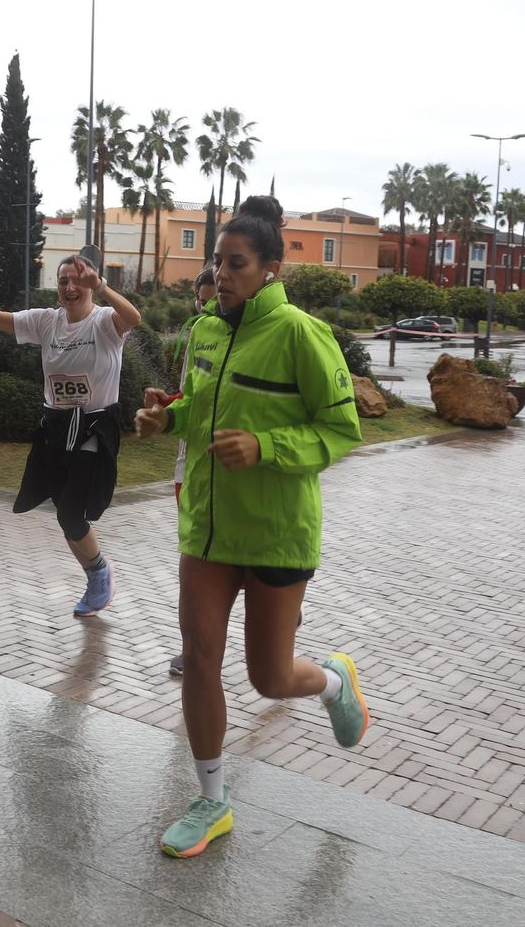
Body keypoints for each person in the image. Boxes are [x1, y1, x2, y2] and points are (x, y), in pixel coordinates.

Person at [135, 195, 367, 859]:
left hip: (276, 533)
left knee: (269, 678)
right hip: (207, 529)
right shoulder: (206, 330)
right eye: (218, 262)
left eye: (237, 264)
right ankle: (211, 797)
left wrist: (265, 447)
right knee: (200, 658)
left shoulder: (301, 334)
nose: (223, 274)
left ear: (270, 267)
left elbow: (341, 428)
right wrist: (166, 419)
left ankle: (330, 681)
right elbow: (198, 412)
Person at [0, 242, 141, 617]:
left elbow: (134, 318)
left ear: (89, 284)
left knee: (70, 513)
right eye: (63, 282)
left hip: (92, 426)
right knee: (63, 510)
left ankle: (99, 574)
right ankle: (95, 574)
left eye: (77, 282)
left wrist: (104, 285)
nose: (70, 288)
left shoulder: (104, 321)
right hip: (55, 426)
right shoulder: (47, 320)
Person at [167, 268, 216, 678]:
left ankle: (283, 609)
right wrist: (165, 411)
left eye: (212, 300)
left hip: (239, 476)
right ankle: (191, 650)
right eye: (200, 301)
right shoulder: (200, 335)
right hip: (191, 466)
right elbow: (189, 396)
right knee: (193, 560)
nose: (205, 308)